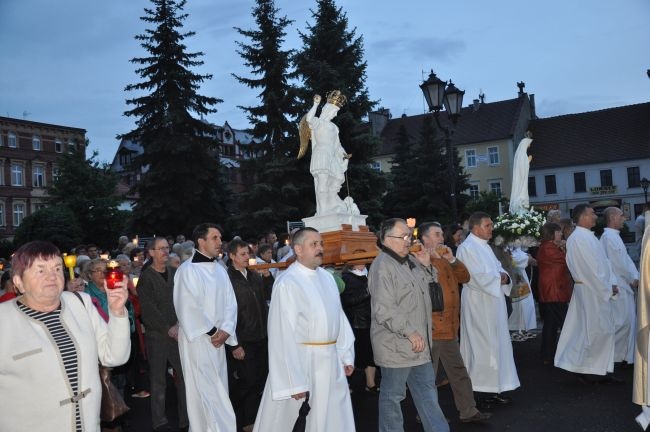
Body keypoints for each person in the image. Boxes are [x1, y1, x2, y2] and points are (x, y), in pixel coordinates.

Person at [0, 240, 130, 431]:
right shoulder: (4, 319)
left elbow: (114, 357)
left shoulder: (80, 303)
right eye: (41, 270)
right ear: (18, 281)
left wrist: (117, 312)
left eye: (57, 268)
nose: (52, 276)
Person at [253, 227, 356, 432]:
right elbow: (281, 334)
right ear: (298, 249)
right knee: (292, 422)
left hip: (331, 362)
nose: (320, 248)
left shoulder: (327, 278)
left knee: (333, 419)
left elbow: (339, 319)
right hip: (304, 363)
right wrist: (293, 381)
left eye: (321, 244)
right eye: (314, 244)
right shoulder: (287, 282)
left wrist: (346, 355)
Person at [369, 218, 449, 432]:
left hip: (419, 343)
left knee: (427, 394)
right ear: (386, 239)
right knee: (393, 398)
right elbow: (384, 309)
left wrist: (427, 267)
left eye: (409, 235)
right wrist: (410, 332)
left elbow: (430, 294)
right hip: (396, 346)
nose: (408, 240)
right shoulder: (382, 267)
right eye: (403, 236)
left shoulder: (411, 260)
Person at [419, 222, 491, 423]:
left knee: (458, 371)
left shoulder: (447, 258)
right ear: (424, 239)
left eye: (442, 234)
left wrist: (451, 259)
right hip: (432, 327)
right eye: (437, 234)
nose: (442, 238)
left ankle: (468, 411)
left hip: (449, 326)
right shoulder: (419, 260)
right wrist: (429, 260)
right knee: (427, 377)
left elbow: (465, 277)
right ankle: (426, 415)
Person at [174, 223, 238, 431]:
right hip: (198, 340)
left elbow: (231, 303)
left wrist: (226, 331)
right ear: (201, 241)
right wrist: (213, 331)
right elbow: (187, 306)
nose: (220, 242)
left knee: (219, 387)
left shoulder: (220, 269)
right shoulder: (187, 270)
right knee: (203, 390)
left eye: (220, 238)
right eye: (215, 238)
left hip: (218, 340)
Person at [456, 212, 520, 403]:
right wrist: (498, 278)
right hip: (478, 304)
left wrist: (504, 277)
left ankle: (496, 387)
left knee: (496, 344)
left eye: (491, 225)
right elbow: (473, 276)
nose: (491, 229)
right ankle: (480, 391)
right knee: (482, 346)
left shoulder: (485, 247)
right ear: (475, 228)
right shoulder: (466, 249)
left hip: (494, 303)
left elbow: (499, 269)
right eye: (488, 225)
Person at [555, 204, 618, 380]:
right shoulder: (579, 239)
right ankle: (591, 370)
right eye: (592, 214)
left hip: (594, 288)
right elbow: (589, 268)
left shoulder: (587, 237)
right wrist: (606, 287)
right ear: (582, 217)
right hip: (591, 290)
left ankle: (594, 368)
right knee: (596, 331)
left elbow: (603, 263)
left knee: (594, 331)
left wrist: (611, 282)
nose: (595, 217)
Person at [138, 237, 189, 431]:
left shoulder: (175, 272)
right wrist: (168, 327)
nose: (165, 252)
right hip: (157, 336)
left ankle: (186, 418)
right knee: (159, 380)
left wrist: (178, 324)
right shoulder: (146, 278)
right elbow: (148, 309)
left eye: (167, 248)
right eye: (160, 249)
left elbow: (182, 301)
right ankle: (159, 421)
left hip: (177, 333)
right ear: (151, 252)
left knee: (184, 377)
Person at [226, 239, 272, 432]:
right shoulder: (226, 279)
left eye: (249, 254)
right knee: (247, 381)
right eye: (243, 254)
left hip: (261, 336)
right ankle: (245, 421)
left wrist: (268, 277)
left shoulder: (254, 276)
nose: (248, 257)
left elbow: (269, 296)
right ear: (232, 256)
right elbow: (226, 313)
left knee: (261, 379)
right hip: (243, 338)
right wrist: (234, 344)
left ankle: (258, 418)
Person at [302, 91, 352, 215]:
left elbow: (337, 145)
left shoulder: (335, 128)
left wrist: (345, 156)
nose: (335, 114)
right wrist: (315, 104)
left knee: (338, 178)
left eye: (336, 112)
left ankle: (332, 201)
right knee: (323, 180)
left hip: (332, 155)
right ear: (328, 109)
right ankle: (323, 209)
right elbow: (309, 119)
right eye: (334, 111)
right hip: (322, 153)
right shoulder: (319, 122)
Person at [601, 206, 639, 365]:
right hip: (618, 285)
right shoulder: (608, 237)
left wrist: (634, 276)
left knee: (628, 321)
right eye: (622, 215)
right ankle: (608, 357)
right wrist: (632, 278)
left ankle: (623, 356)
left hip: (623, 284)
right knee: (621, 322)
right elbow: (618, 263)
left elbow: (624, 260)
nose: (624, 218)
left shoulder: (613, 236)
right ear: (613, 218)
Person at [536, 222, 572, 363]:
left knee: (551, 324)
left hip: (552, 290)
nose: (561, 234)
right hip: (554, 290)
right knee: (565, 322)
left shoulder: (547, 247)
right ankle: (568, 354)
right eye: (558, 232)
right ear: (551, 234)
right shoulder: (549, 248)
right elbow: (567, 260)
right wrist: (565, 247)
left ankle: (547, 355)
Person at [340, 259, 378, 393]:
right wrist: (368, 291)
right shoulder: (347, 278)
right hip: (357, 322)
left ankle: (370, 383)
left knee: (371, 354)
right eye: (359, 259)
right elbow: (348, 300)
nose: (363, 262)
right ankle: (347, 384)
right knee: (354, 355)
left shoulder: (370, 274)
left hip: (371, 320)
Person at [509, 136, 533, 215]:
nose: (529, 145)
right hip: (521, 178)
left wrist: (527, 161)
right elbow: (522, 167)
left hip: (521, 177)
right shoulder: (522, 155)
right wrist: (528, 161)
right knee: (521, 190)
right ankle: (520, 202)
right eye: (529, 144)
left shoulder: (521, 154)